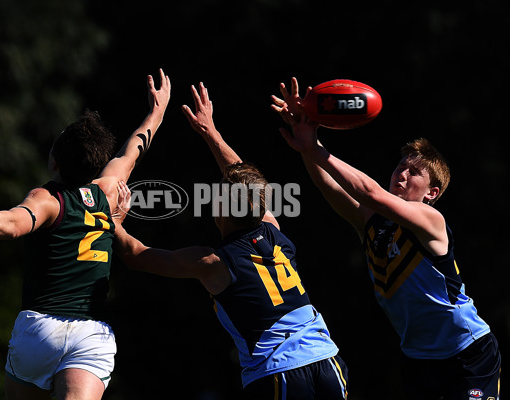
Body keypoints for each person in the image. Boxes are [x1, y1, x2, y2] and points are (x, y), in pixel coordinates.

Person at [0, 69, 171, 400]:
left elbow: (13, 224)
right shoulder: (107, 192)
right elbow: (132, 150)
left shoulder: (49, 199)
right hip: (90, 333)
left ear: (55, 162)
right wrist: (157, 111)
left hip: (40, 330)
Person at [112, 82, 349, 399]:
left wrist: (112, 221)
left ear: (220, 208)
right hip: (327, 360)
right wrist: (211, 132)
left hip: (278, 373)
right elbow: (246, 181)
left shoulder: (212, 262)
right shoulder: (273, 229)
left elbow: (135, 255)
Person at [271, 77, 501, 399]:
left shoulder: (430, 220)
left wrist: (317, 150)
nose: (402, 173)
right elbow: (332, 189)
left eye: (414, 172)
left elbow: (370, 192)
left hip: (469, 353)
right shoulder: (372, 224)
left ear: (432, 193)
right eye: (401, 165)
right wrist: (309, 145)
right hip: (418, 358)